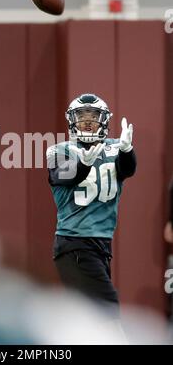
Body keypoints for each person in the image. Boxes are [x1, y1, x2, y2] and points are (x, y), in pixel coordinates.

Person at [46, 93, 137, 318]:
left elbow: (128, 170)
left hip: (100, 245)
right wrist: (83, 165)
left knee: (88, 317)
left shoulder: (116, 147)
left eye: (93, 116)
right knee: (107, 310)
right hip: (74, 243)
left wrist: (127, 151)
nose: (87, 121)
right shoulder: (59, 150)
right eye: (81, 116)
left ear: (104, 120)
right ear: (71, 120)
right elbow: (62, 176)